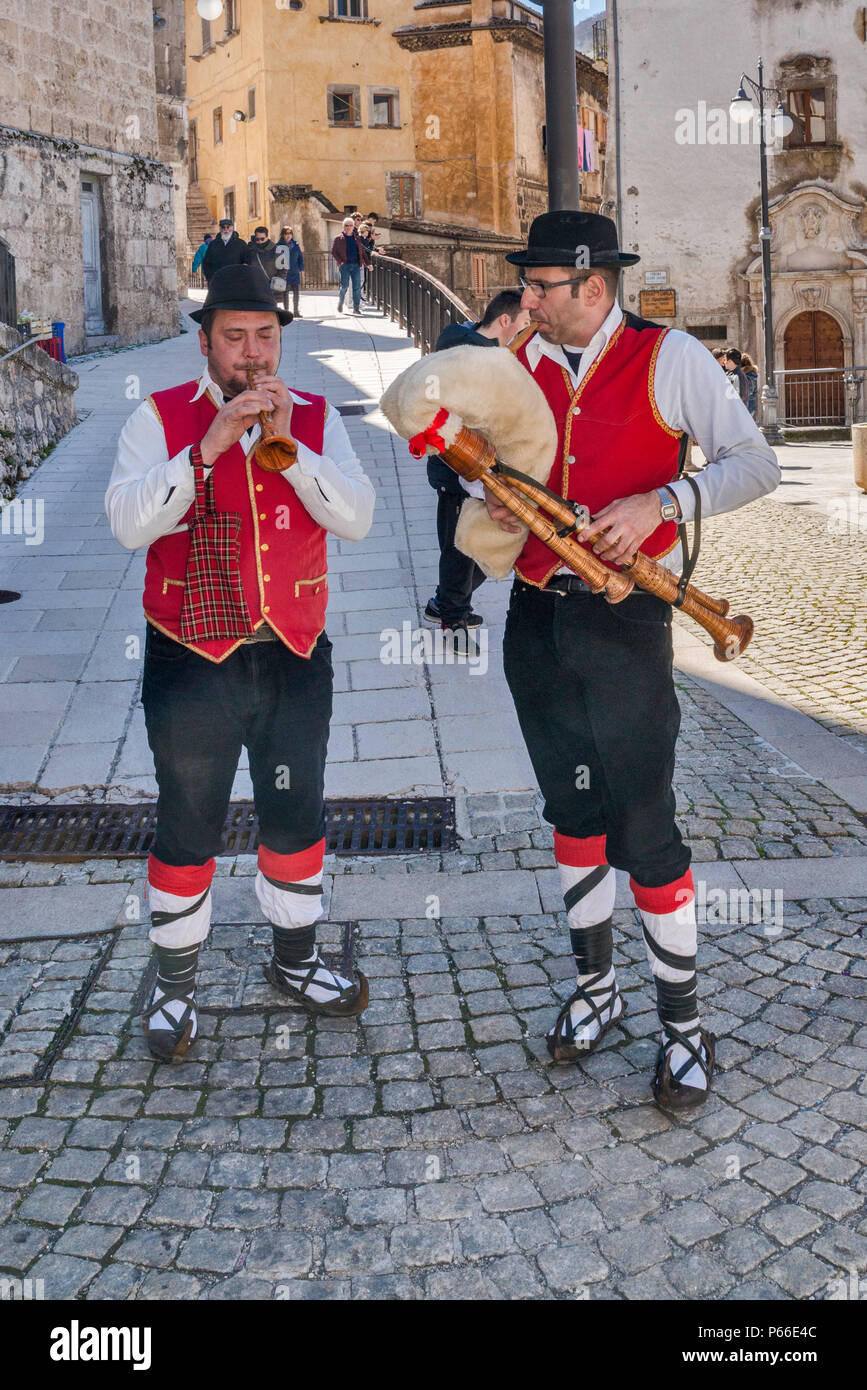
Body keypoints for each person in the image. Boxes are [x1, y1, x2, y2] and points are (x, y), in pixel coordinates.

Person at [478, 211, 779, 1110]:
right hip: (535, 620)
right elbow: (470, 465)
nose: (525, 300)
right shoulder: (516, 360)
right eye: (527, 285)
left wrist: (664, 500)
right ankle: (596, 989)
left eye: (540, 287)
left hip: (626, 624)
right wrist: (487, 495)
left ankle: (684, 1027)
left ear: (591, 289)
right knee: (570, 813)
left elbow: (753, 464)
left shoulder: (670, 356)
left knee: (645, 824)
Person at [105, 265, 376, 1061]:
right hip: (192, 659)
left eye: (265, 336)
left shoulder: (319, 417)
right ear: (206, 343)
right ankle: (174, 983)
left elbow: (354, 518)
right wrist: (208, 447)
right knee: (188, 820)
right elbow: (126, 524)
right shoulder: (158, 419)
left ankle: (295, 963)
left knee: (296, 815)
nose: (252, 355)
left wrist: (288, 453)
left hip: (293, 652)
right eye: (234, 339)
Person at [424, 289, 531, 640]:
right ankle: (451, 615)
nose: (526, 331)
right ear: (505, 321)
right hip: (461, 469)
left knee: (472, 542)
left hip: (453, 465)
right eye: (524, 323)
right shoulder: (483, 361)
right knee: (460, 546)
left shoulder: (457, 335)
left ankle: (447, 602)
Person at [331, 216, 370, 315]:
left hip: (356, 265)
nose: (348, 227)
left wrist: (368, 263)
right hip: (345, 266)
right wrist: (340, 262)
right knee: (344, 286)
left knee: (357, 287)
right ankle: (340, 302)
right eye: (346, 225)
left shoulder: (356, 238)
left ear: (353, 227)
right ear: (343, 227)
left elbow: (362, 252)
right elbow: (334, 252)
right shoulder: (338, 238)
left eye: (350, 225)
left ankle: (356, 308)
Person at [201, 218, 248, 283]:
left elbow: (246, 262)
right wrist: (210, 278)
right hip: (217, 282)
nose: (226, 230)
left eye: (228, 227)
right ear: (220, 229)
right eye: (223, 227)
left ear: (232, 228)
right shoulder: (213, 244)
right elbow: (206, 263)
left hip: (236, 282)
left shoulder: (241, 244)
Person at [276, 225, 304, 319]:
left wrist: (301, 268)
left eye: (290, 233)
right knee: (285, 292)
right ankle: (286, 311)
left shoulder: (295, 244)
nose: (288, 235)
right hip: (284, 272)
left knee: (296, 292)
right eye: (286, 233)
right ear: (282, 235)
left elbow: (300, 257)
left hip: (295, 271)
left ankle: (296, 311)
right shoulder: (279, 245)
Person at [741, 351, 759, 419]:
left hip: (744, 404)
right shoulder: (754, 374)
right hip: (752, 405)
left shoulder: (742, 375)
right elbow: (755, 392)